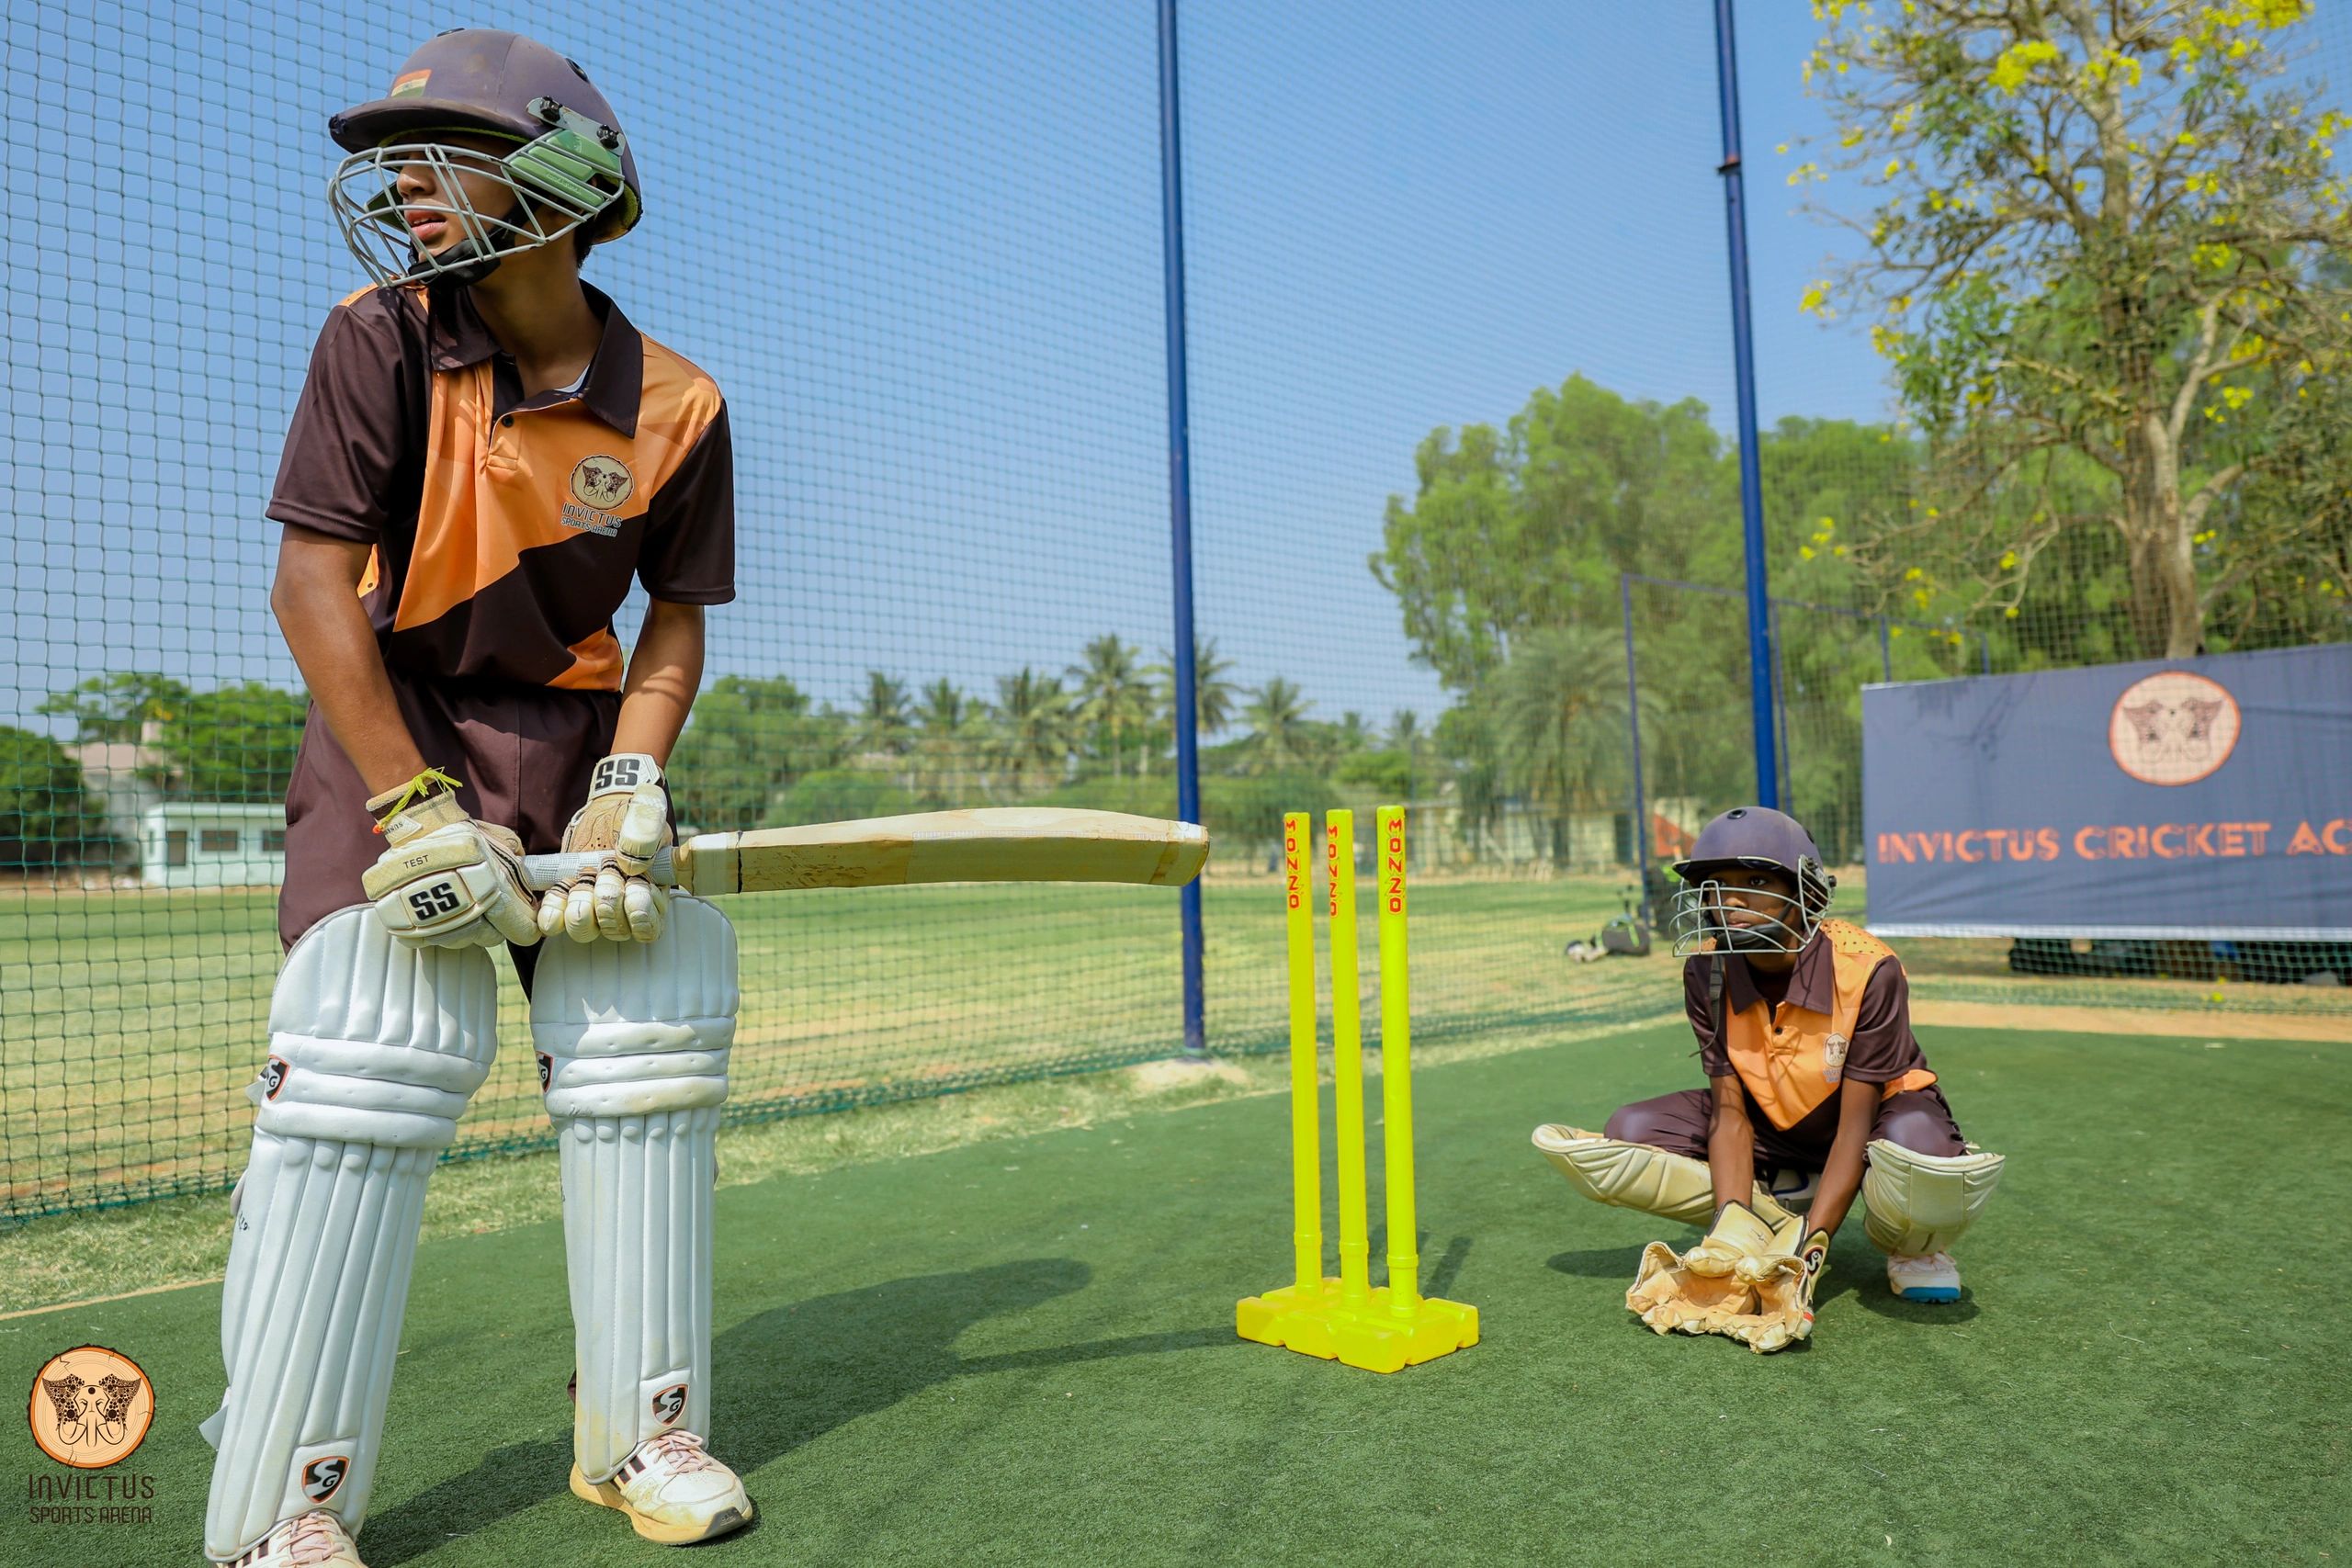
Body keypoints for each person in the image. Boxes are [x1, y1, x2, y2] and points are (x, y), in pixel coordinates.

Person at [199, 31, 750, 1564]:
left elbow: (676, 613)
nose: (402, 185)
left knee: (643, 1051)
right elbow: (313, 584)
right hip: (397, 723)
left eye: (448, 147)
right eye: (399, 153)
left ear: (570, 179)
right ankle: (286, 1502)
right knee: (366, 1055)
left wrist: (632, 774)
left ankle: (640, 1428)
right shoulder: (379, 338)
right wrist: (413, 807)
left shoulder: (683, 407)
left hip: (571, 737)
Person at [1532, 806, 2006, 1350]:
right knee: (1630, 1131)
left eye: (1756, 880)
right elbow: (1730, 1113)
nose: (1729, 898)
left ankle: (1917, 1247)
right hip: (1771, 1122)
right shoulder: (1706, 968)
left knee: (1924, 1156)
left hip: (1871, 1122)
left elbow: (1855, 1127)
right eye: (1716, 885)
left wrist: (1806, 1257)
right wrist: (1729, 1232)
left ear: (1806, 888)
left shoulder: (1868, 968)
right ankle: (1775, 1204)